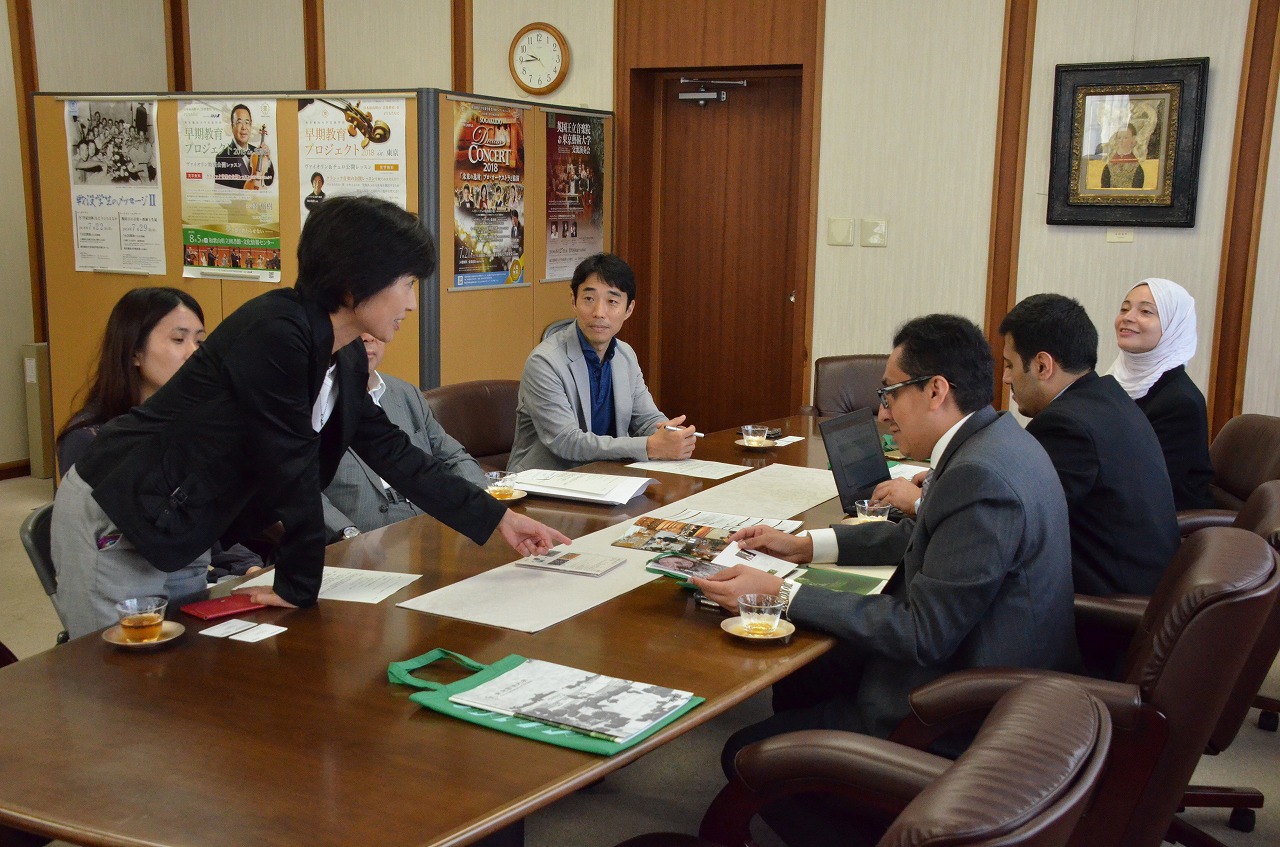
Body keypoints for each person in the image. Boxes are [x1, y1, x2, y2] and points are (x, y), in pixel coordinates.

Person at [51, 196, 569, 639]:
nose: (412, 303)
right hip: (123, 512)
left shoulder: (340, 354)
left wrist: (497, 517)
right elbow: (289, 462)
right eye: (407, 283)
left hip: (186, 520)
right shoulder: (275, 331)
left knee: (180, 672)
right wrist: (297, 583)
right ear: (355, 283)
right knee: (116, 685)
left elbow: (394, 453)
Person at [695, 314, 1077, 773]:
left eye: (890, 394)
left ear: (935, 391)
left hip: (953, 714)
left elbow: (922, 634)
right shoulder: (998, 440)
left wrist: (776, 592)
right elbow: (917, 534)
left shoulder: (979, 476)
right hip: (995, 677)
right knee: (811, 674)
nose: (883, 413)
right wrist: (804, 546)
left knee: (743, 753)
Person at [54, 287, 264, 590]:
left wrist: (248, 564)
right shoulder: (89, 439)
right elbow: (115, 547)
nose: (195, 352)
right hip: (134, 584)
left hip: (199, 571)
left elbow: (205, 518)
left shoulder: (192, 423)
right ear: (134, 352)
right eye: (178, 340)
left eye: (201, 341)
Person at [999, 293, 1178, 596]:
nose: (1005, 378)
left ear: (1043, 366)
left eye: (1009, 365)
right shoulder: (1106, 397)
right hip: (1140, 586)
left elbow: (1012, 520)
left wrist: (920, 503)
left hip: (1108, 612)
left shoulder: (1067, 427)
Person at [507, 253, 698, 472]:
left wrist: (669, 432)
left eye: (612, 302)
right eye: (589, 299)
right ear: (573, 300)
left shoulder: (625, 355)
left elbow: (646, 420)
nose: (599, 313)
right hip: (546, 483)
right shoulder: (544, 362)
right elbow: (566, 441)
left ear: (629, 309)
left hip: (607, 478)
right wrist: (649, 446)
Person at [323, 333, 488, 539]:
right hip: (361, 536)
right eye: (357, 330)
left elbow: (454, 456)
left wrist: (484, 504)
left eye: (372, 330)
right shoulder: (314, 402)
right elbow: (298, 489)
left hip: (428, 530)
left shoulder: (405, 393)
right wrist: (346, 533)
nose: (367, 338)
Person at [1108, 278, 1214, 509]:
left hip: (1164, 523)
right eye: (1124, 309)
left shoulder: (1181, 402)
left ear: (1173, 327)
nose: (1128, 317)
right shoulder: (1115, 381)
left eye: (1146, 311)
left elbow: (1147, 486)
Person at [214, 103, 274, 189]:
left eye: (247, 122)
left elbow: (268, 181)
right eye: (239, 122)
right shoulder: (222, 157)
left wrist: (267, 159)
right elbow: (220, 195)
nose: (244, 127)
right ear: (232, 126)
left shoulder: (257, 151)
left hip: (258, 201)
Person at [1101, 123, 1144, 189]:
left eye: (1125, 137)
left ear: (1133, 139)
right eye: (1119, 138)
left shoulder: (1136, 167)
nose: (1121, 140)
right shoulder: (1109, 166)